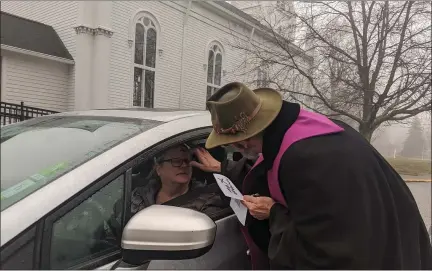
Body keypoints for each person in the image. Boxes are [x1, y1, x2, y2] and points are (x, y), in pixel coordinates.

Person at [192, 82, 432, 269]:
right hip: (397, 246)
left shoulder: (305, 160)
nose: (238, 149)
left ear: (243, 141)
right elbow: (263, 167)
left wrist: (273, 213)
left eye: (235, 144)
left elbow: (324, 251)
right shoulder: (304, 131)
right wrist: (222, 170)